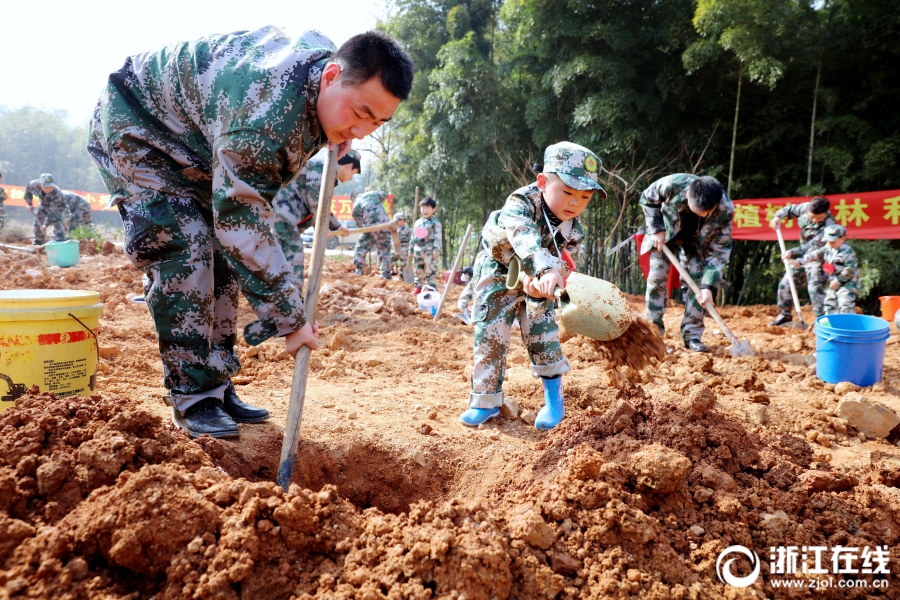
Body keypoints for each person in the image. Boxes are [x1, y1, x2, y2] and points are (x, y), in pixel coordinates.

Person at [87, 27, 413, 438]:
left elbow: (317, 72)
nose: (364, 130)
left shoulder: (324, 82)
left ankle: (217, 384)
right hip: (140, 127)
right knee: (184, 251)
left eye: (378, 121)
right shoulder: (262, 120)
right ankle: (191, 394)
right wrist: (291, 321)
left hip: (198, 144)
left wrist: (337, 130)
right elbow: (242, 223)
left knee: (223, 261)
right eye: (361, 113)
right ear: (331, 76)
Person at [459, 142, 606, 430]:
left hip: (541, 280)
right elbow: (523, 238)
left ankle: (554, 402)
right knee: (490, 334)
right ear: (542, 182)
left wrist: (553, 278)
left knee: (543, 334)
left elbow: (566, 261)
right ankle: (485, 402)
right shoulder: (521, 202)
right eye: (567, 192)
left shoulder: (572, 229)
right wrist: (541, 271)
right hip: (499, 271)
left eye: (585, 196)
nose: (574, 203)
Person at [640, 174, 733, 353]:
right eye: (697, 210)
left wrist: (708, 285)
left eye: (706, 213)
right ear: (688, 195)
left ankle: (692, 336)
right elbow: (647, 198)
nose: (702, 215)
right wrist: (656, 229)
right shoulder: (673, 184)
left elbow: (719, 251)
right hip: (666, 234)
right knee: (657, 277)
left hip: (698, 244)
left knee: (699, 285)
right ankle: (653, 332)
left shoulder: (725, 210)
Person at [272, 149, 359, 292]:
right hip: (284, 216)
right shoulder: (322, 167)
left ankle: (282, 301)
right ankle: (293, 304)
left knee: (282, 261)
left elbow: (322, 206)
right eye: (353, 173)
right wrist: (323, 228)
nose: (351, 178)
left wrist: (336, 226)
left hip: (282, 216)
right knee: (294, 260)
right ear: (349, 166)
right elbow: (316, 202)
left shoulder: (327, 172)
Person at [769, 196, 835, 325]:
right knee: (786, 283)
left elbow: (813, 247)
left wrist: (792, 252)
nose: (815, 220)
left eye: (819, 218)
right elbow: (789, 209)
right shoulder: (805, 207)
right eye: (812, 217)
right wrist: (777, 217)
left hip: (819, 259)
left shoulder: (829, 225)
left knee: (815, 289)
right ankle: (785, 315)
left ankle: (824, 323)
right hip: (801, 257)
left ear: (825, 214)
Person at [798, 225, 859, 315]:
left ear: (842, 238)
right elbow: (815, 254)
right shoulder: (829, 247)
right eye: (828, 241)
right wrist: (799, 261)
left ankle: (847, 327)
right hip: (833, 281)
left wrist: (838, 281)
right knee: (829, 304)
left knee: (845, 305)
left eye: (832, 241)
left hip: (848, 283)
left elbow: (850, 270)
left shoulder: (848, 252)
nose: (829, 243)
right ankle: (831, 327)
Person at [351, 190, 393, 279]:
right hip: (385, 224)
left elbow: (359, 224)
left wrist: (365, 231)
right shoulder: (373, 194)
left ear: (353, 199)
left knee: (360, 248)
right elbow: (384, 195)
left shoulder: (356, 205)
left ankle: (360, 270)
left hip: (371, 226)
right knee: (384, 250)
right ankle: (385, 274)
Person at [23, 173, 69, 245]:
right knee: (38, 223)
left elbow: (53, 212)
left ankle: (60, 243)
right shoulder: (34, 184)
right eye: (46, 187)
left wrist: (46, 224)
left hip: (58, 207)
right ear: (41, 184)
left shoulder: (57, 193)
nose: (49, 189)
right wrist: (30, 204)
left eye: (50, 187)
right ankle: (39, 243)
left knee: (57, 223)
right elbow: (27, 192)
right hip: (44, 204)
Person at [412, 197, 442, 293]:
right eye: (423, 208)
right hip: (418, 250)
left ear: (433, 209)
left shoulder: (435, 223)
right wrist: (411, 249)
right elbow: (413, 237)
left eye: (428, 208)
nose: (425, 211)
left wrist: (436, 250)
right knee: (418, 269)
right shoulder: (418, 222)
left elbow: (438, 238)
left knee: (431, 270)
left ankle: (431, 288)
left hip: (429, 251)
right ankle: (418, 287)